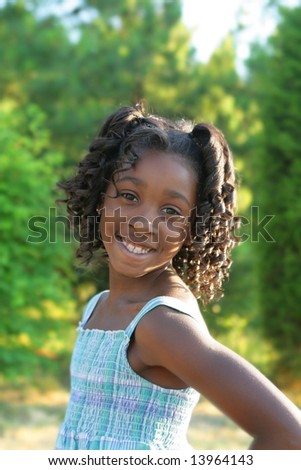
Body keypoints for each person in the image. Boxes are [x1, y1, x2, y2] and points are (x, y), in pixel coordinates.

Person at [55, 104, 301, 450]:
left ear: (193, 227)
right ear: (100, 199)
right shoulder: (100, 306)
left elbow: (291, 435)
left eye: (171, 211)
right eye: (129, 196)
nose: (144, 223)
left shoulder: (161, 323)